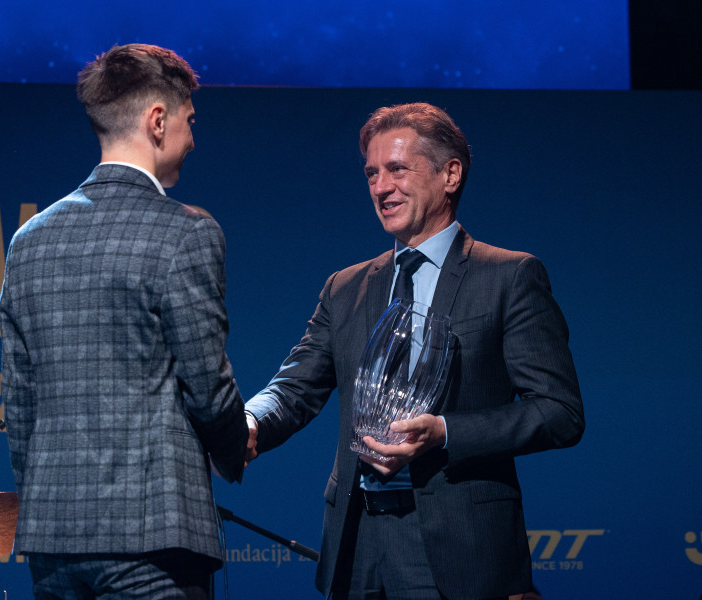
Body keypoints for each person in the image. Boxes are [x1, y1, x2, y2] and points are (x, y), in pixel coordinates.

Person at [244, 103, 584, 600]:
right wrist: (248, 422)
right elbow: (294, 386)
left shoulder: (509, 277)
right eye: (371, 174)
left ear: (450, 175)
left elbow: (559, 412)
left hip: (459, 550)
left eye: (397, 169)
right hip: (357, 544)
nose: (381, 187)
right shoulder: (346, 287)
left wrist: (445, 432)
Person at [0, 43, 248, 599]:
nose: (192, 137)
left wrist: (47, 502)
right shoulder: (184, 232)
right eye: (189, 120)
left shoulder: (29, 241)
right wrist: (236, 448)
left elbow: (21, 406)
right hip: (152, 544)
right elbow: (207, 387)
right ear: (157, 120)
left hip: (54, 543)